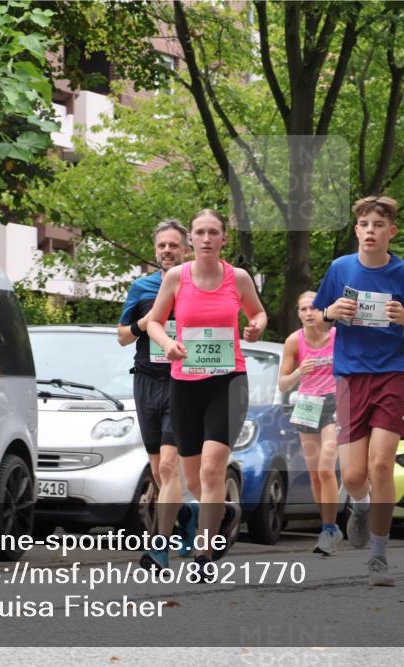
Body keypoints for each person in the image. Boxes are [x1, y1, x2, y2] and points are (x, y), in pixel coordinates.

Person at [312, 195, 404, 586]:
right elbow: (315, 323)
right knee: (352, 475)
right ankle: (361, 505)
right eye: (364, 224)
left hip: (391, 376)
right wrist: (331, 313)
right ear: (356, 231)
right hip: (350, 378)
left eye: (378, 225)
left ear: (391, 232)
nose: (370, 231)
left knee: (382, 464)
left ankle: (379, 555)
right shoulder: (339, 268)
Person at [145, 209, 267, 580]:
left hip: (228, 382)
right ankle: (223, 513)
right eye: (200, 232)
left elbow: (258, 314)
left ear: (223, 238)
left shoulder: (238, 278)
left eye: (214, 232)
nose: (207, 238)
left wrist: (255, 328)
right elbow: (153, 320)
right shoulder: (176, 277)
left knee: (214, 468)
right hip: (185, 382)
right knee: (192, 478)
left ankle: (201, 554)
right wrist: (167, 342)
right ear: (192, 240)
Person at [117, 219, 196, 560]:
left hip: (182, 382)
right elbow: (122, 336)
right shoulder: (142, 288)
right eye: (162, 245)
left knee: (167, 465)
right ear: (155, 249)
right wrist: (143, 324)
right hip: (146, 381)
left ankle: (160, 543)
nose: (167, 250)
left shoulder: (198, 284)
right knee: (157, 467)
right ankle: (186, 515)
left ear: (185, 249)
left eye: (173, 245)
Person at [278, 291, 340, 555]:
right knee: (315, 473)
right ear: (298, 312)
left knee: (326, 468)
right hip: (306, 404)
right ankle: (328, 528)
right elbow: (282, 383)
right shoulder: (294, 341)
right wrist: (297, 372)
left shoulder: (338, 336)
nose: (308, 313)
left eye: (314, 308)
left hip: (335, 401)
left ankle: (330, 528)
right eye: (303, 309)